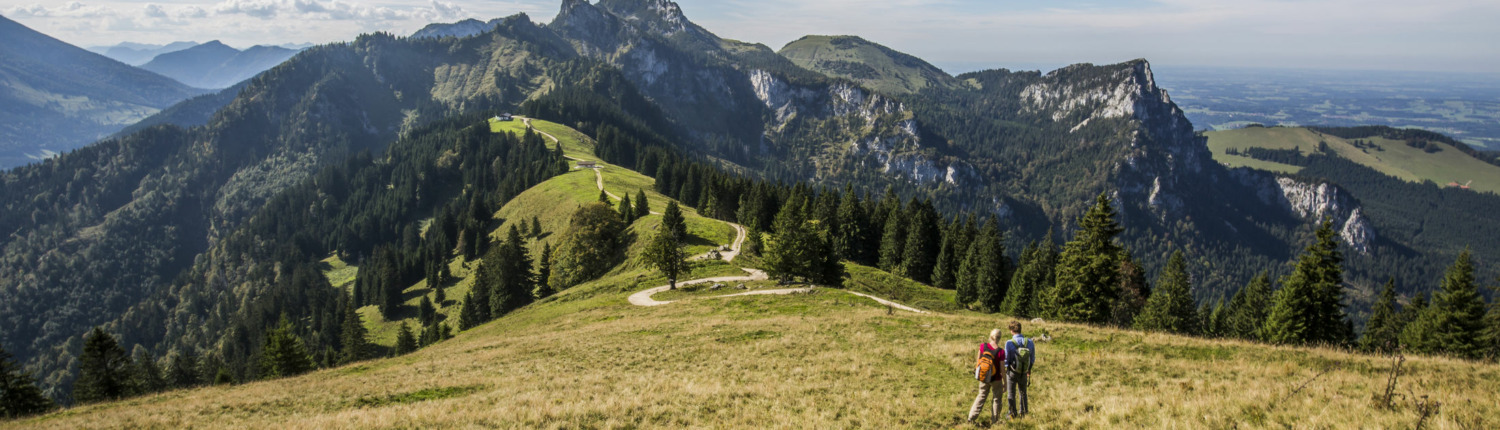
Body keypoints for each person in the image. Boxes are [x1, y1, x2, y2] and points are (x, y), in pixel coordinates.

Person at [967, 329, 1005, 424]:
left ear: (990, 336)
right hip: (996, 379)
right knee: (997, 399)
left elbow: (978, 361)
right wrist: (1006, 382)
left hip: (984, 376)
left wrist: (978, 373)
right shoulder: (1001, 352)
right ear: (999, 338)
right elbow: (1002, 370)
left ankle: (971, 418)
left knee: (981, 396)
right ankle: (995, 420)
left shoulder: (983, 346)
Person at [1003, 320, 1036, 419]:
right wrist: (1028, 369)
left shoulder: (1009, 343)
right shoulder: (1029, 342)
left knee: (1011, 393)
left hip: (1012, 371)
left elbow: (1006, 359)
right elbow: (1032, 358)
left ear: (1012, 330)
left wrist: (1006, 367)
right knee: (1023, 392)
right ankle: (1024, 413)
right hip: (1024, 371)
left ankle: (1012, 413)